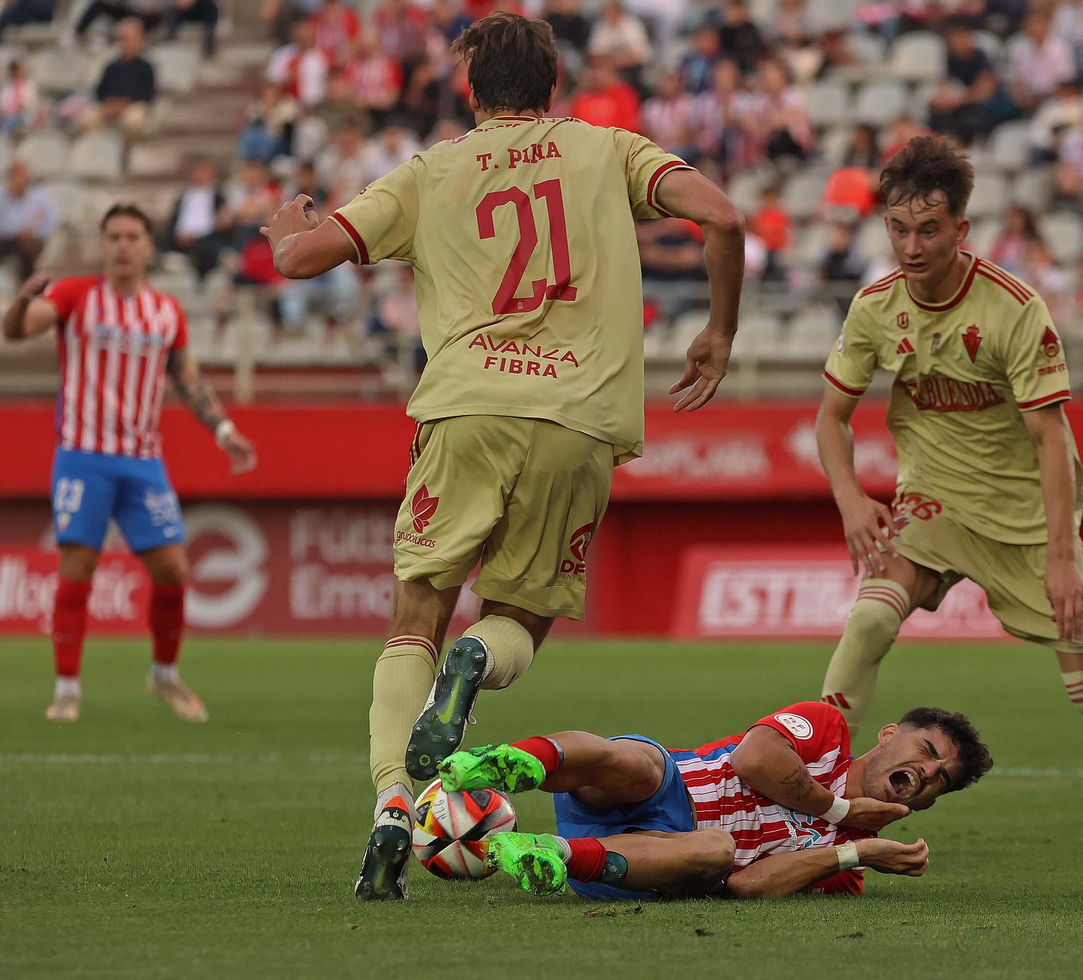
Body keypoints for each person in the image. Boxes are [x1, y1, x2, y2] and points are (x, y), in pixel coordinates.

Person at [258, 11, 745, 902]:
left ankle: (393, 806)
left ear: (472, 90)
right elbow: (720, 214)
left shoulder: (429, 169)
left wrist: (285, 224)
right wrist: (718, 332)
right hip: (579, 418)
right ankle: (477, 661)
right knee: (517, 616)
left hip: (465, 408)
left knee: (414, 622)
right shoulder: (609, 149)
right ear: (554, 85)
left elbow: (300, 260)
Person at [814, 135, 1083, 845]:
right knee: (871, 621)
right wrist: (852, 498)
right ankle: (814, 779)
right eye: (898, 228)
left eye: (928, 230)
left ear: (961, 229)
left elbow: (1051, 440)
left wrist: (1062, 555)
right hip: (932, 502)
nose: (910, 247)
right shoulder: (875, 307)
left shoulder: (1013, 309)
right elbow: (831, 419)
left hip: (1026, 520)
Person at [0, 204, 257, 723]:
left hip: (142, 461)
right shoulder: (75, 296)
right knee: (78, 567)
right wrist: (21, 301)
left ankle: (164, 675)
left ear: (147, 247)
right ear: (102, 245)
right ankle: (66, 690)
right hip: (83, 456)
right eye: (113, 236)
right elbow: (17, 331)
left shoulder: (165, 311)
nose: (122, 245)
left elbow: (188, 380)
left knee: (173, 569)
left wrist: (224, 431)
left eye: (132, 236)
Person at [430, 701, 990, 899]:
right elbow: (754, 759)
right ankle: (512, 761)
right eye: (926, 750)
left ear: (928, 803)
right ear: (888, 735)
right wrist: (838, 811)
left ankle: (548, 854)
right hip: (665, 784)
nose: (926, 771)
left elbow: (747, 885)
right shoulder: (826, 729)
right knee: (642, 765)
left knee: (717, 851)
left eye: (940, 778)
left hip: (646, 858)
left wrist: (854, 849)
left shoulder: (847, 867)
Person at [0, 159, 55, 279]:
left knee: (28, 251)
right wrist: (14, 231)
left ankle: (27, 285)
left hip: (30, 240)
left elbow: (51, 222)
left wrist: (35, 231)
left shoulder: (40, 197)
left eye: (23, 175)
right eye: (16, 176)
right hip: (4, 239)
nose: (20, 180)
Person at [82, 19, 156, 140]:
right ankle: (99, 147)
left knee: (133, 119)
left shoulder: (146, 67)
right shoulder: (111, 66)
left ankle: (127, 150)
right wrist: (110, 103)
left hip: (133, 106)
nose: (127, 43)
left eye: (131, 39)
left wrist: (126, 103)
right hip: (110, 106)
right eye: (124, 39)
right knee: (88, 116)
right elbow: (100, 91)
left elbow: (148, 94)